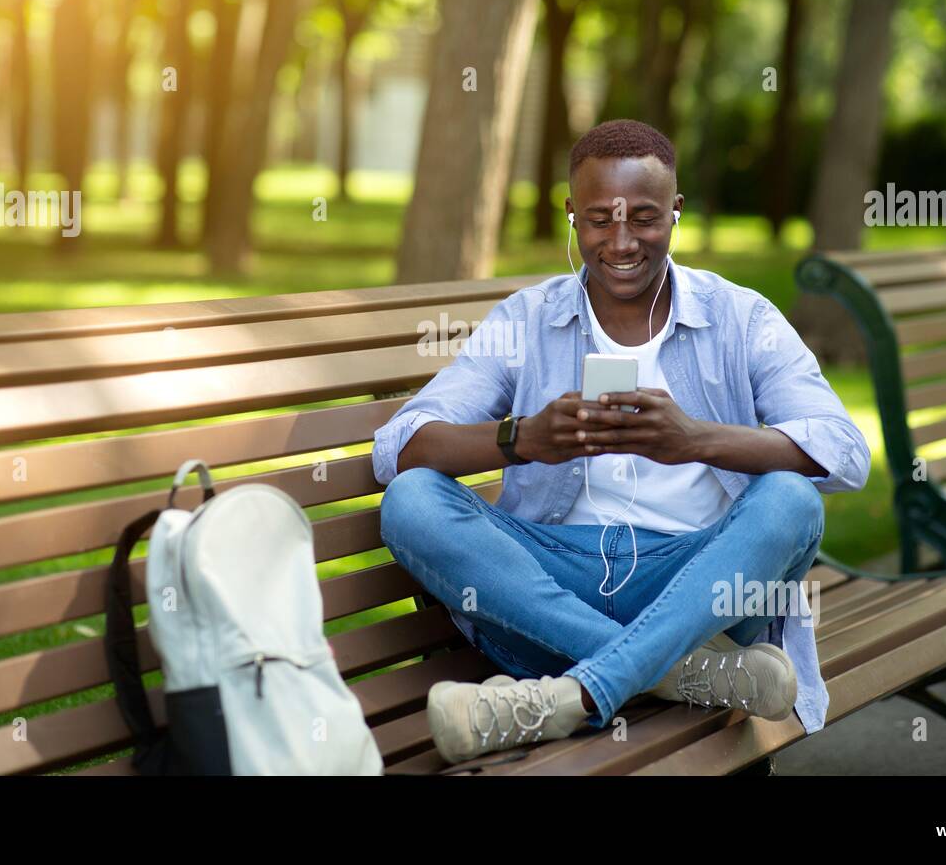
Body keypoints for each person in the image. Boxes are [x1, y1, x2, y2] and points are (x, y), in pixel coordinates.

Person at [373, 119, 871, 765]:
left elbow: (845, 450)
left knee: (792, 502)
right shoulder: (527, 320)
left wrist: (696, 440)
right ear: (571, 214)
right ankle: (680, 674)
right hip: (552, 589)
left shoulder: (741, 317)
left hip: (699, 587)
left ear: (676, 212)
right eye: (600, 219)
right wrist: (523, 439)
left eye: (644, 218)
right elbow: (400, 446)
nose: (622, 241)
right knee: (411, 500)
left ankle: (580, 692)